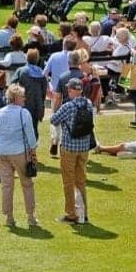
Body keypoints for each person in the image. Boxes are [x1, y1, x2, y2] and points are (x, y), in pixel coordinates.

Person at [49, 78, 93, 225]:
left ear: (73, 90)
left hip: (69, 147)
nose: (68, 91)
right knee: (81, 181)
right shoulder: (89, 104)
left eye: (69, 89)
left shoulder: (68, 106)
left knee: (68, 182)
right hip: (84, 148)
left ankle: (71, 214)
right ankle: (83, 213)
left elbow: (54, 120)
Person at [0, 83, 38, 227]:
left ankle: (9, 217)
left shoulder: (1, 112)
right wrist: (33, 151)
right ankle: (30, 216)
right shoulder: (23, 113)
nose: (24, 99)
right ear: (17, 97)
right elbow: (31, 136)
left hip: (3, 151)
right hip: (18, 152)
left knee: (7, 185)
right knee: (27, 183)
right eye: (23, 96)